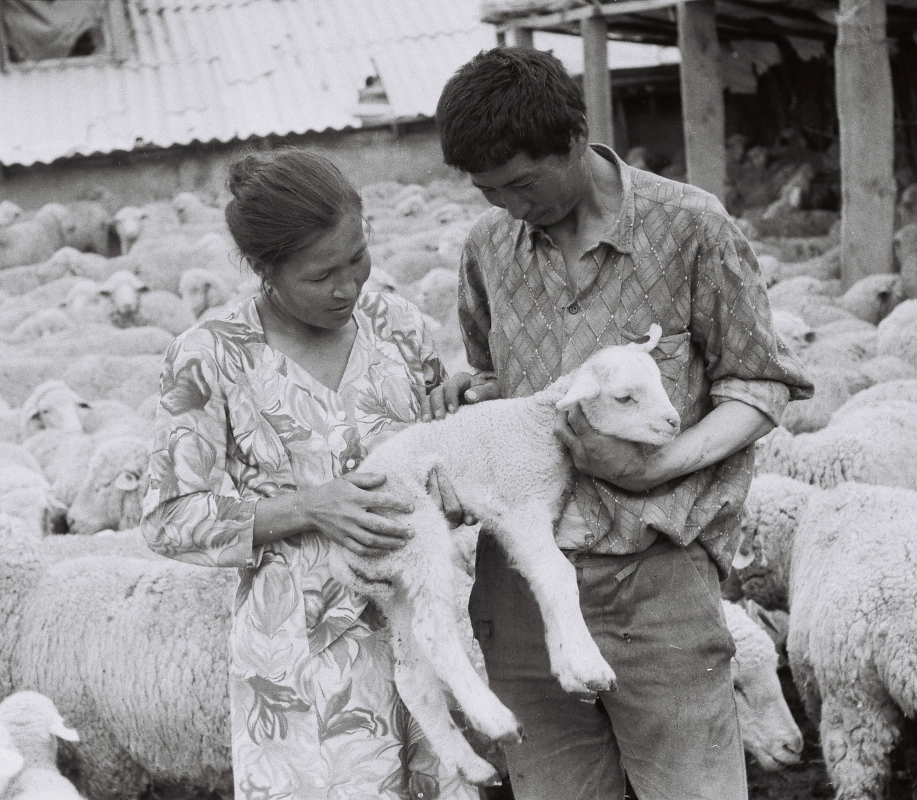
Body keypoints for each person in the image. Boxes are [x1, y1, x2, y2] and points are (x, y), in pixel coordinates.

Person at [430, 48, 815, 800]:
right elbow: (493, 382)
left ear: (574, 140)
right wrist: (463, 397)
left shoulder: (691, 228)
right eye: (488, 191)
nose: (508, 206)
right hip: (525, 585)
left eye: (520, 183)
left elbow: (760, 383)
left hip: (656, 578)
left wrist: (657, 467)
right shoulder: (487, 251)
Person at [140, 148, 477, 800]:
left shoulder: (399, 327)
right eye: (322, 275)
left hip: (423, 622)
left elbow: (442, 470)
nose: (348, 287)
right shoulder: (209, 356)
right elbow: (167, 518)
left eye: (358, 257)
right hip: (301, 651)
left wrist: (459, 417)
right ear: (265, 271)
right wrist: (309, 507)